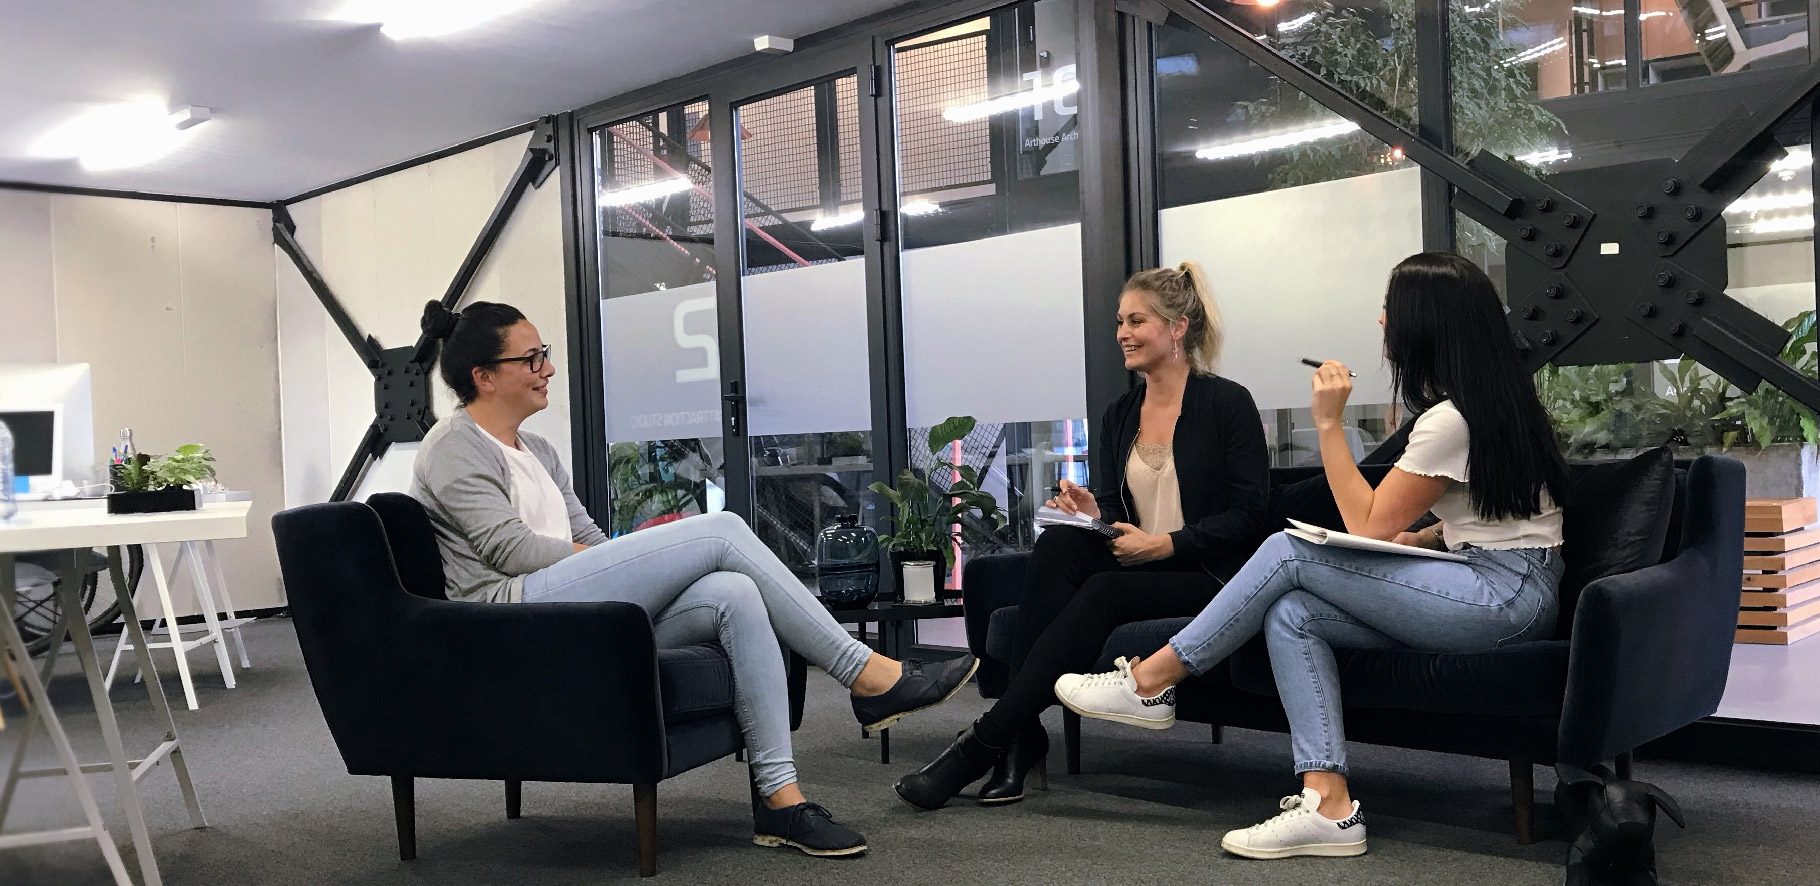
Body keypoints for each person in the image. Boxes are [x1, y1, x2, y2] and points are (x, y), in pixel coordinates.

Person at [407, 300, 978, 859]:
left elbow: (593, 540)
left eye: (545, 355)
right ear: (484, 376)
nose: (548, 369)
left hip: (569, 607)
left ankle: (780, 801)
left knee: (735, 593)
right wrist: (612, 560)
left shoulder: (536, 449)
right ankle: (866, 674)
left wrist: (622, 564)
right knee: (721, 531)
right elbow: (509, 550)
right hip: (508, 618)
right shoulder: (453, 446)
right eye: (531, 359)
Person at [1053, 252, 1570, 860]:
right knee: (1292, 612)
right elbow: (1501, 517)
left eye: (1390, 310)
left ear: (1426, 325)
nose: (1382, 323)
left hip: (1502, 597)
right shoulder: (1488, 402)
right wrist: (1426, 540)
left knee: (1289, 550)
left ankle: (1150, 680)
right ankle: (1328, 804)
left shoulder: (1451, 421)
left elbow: (1366, 524)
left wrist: (1329, 424)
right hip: (1502, 583)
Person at [894, 262, 1269, 810]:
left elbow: (1249, 517)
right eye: (1120, 321)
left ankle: (988, 743)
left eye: (1136, 321)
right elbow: (1123, 510)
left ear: (1177, 327)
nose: (1122, 333)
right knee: (1059, 545)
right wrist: (1094, 512)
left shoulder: (1227, 403)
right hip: (1146, 557)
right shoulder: (1121, 413)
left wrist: (1164, 545)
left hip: (1210, 573)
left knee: (1102, 592)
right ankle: (1020, 735)